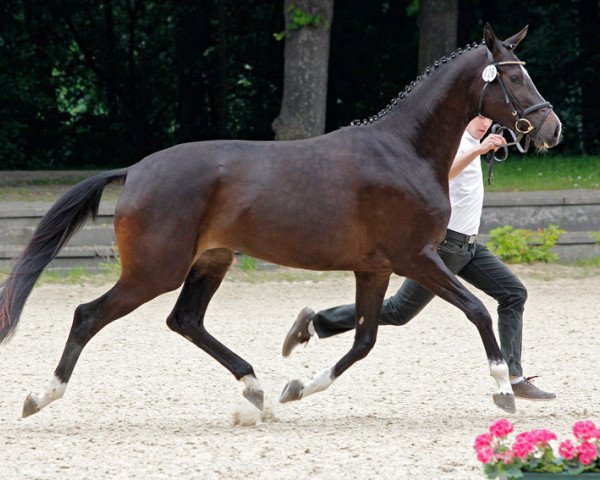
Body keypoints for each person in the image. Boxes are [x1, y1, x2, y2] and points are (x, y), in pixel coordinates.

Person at [282, 115, 555, 401]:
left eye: (488, 118)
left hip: (471, 248)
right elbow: (445, 172)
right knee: (398, 311)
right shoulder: (456, 143)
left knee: (513, 293)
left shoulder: (475, 142)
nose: (484, 122)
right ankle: (315, 322)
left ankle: (514, 376)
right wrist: (478, 149)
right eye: (479, 116)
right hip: (446, 247)